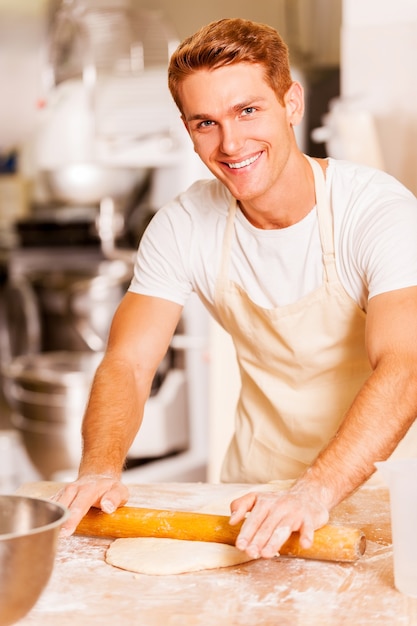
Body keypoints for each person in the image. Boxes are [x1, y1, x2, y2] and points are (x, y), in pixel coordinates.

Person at [55, 17, 417, 560]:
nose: (231, 142)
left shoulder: (376, 212)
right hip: (254, 491)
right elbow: (128, 363)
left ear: (291, 103)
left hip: (385, 491)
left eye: (248, 110)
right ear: (188, 129)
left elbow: (405, 364)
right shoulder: (184, 224)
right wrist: (100, 469)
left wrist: (316, 491)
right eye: (206, 123)